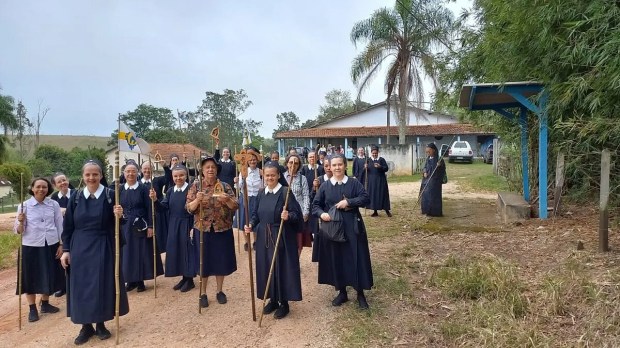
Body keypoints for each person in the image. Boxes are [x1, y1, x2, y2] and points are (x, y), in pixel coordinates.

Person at [61, 160, 128, 345]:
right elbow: (68, 227)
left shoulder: (110, 195)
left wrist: (120, 215)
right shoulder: (75, 197)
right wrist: (66, 250)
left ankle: (100, 323)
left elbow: (121, 222)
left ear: (101, 176)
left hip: (103, 245)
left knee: (102, 285)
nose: (91, 178)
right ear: (83, 176)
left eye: (95, 174)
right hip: (79, 247)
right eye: (88, 174)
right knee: (81, 287)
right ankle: (85, 326)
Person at [312, 154, 373, 309]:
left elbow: (366, 198)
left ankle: (360, 293)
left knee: (355, 258)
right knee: (337, 258)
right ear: (330, 167)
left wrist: (349, 202)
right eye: (334, 165)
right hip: (333, 228)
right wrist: (322, 214)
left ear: (345, 166)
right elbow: (315, 206)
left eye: (340, 164)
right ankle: (342, 293)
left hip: (352, 227)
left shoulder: (353, 183)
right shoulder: (325, 186)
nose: (337, 168)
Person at [244, 162, 303, 319]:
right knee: (266, 267)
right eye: (267, 175)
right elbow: (256, 214)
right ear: (263, 176)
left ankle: (284, 302)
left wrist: (288, 216)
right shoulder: (262, 192)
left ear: (278, 176)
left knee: (280, 267)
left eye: (273, 175)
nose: (270, 177)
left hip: (281, 235)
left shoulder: (285, 192)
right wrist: (250, 224)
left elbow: (297, 215)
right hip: (263, 236)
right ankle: (272, 299)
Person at [187, 157, 239, 307]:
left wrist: (227, 201)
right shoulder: (196, 186)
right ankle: (203, 293)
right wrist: (197, 200)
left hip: (221, 229)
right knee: (203, 261)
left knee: (220, 261)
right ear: (202, 171)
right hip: (202, 230)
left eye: (213, 167)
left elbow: (235, 206)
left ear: (217, 170)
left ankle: (219, 291)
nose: (210, 170)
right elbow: (189, 208)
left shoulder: (224, 186)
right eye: (207, 167)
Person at [15, 177, 64, 323]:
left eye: (44, 187)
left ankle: (45, 304)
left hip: (51, 243)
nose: (41, 189)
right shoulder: (24, 206)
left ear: (48, 189)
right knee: (30, 277)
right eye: (38, 187)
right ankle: (32, 308)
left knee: (48, 274)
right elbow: (18, 231)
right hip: (30, 245)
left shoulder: (53, 204)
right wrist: (20, 221)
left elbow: (59, 225)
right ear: (32, 188)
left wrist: (62, 244)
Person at [150, 165, 197, 292]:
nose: (178, 178)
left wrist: (193, 227)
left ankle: (190, 279)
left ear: (186, 175)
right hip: (174, 224)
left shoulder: (191, 189)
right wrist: (155, 200)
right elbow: (163, 208)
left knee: (187, 251)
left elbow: (196, 210)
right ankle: (183, 277)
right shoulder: (170, 191)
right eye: (175, 176)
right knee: (177, 251)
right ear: (172, 177)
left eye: (181, 175)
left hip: (187, 223)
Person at [119, 160, 164, 293]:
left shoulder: (144, 189)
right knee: (127, 253)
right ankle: (130, 280)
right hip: (125, 225)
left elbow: (150, 208)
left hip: (140, 224)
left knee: (140, 252)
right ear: (124, 173)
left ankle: (140, 280)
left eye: (133, 171)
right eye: (128, 171)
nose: (130, 174)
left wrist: (150, 226)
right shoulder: (120, 189)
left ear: (137, 173)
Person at [235, 149, 262, 251]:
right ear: (247, 161)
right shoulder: (243, 171)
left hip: (257, 198)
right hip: (245, 198)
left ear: (257, 160)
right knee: (244, 220)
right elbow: (239, 186)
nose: (252, 161)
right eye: (250, 160)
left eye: (254, 160)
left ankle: (255, 241)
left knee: (256, 220)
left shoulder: (261, 172)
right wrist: (237, 182)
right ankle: (247, 241)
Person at [283, 154, 311, 256]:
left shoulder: (302, 179)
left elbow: (306, 196)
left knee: (298, 241)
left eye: (296, 163)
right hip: (285, 213)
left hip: (298, 213)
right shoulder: (281, 177)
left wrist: (305, 212)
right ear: (287, 163)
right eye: (291, 162)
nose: (293, 165)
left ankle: (296, 261)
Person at [50, 172, 72, 297]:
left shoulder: (76, 194)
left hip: (74, 230)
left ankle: (73, 285)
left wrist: (67, 211)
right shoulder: (54, 198)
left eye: (64, 180)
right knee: (61, 258)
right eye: (59, 182)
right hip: (60, 231)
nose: (63, 183)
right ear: (55, 185)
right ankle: (62, 286)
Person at [141, 161, 169, 253]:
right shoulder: (139, 183)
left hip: (157, 214)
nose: (147, 170)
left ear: (153, 169)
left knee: (158, 239)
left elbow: (168, 177)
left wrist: (165, 166)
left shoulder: (157, 180)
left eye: (149, 168)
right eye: (145, 168)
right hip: (145, 215)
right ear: (141, 170)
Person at [420, 143, 446, 217]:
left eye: (429, 152)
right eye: (427, 152)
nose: (428, 153)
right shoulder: (428, 158)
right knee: (425, 196)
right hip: (426, 181)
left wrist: (440, 165)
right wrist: (424, 172)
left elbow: (443, 169)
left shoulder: (439, 159)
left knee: (434, 197)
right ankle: (426, 210)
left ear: (433, 150)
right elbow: (425, 167)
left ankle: (435, 212)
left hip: (435, 182)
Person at [366, 146, 392, 217]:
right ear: (371, 153)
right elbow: (366, 171)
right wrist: (365, 167)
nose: (374, 154)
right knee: (374, 195)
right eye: (373, 153)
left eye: (376, 153)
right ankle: (375, 211)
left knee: (383, 194)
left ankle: (387, 210)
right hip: (372, 181)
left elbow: (386, 168)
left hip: (381, 180)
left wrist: (380, 166)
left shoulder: (381, 159)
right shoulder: (368, 160)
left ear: (378, 153)